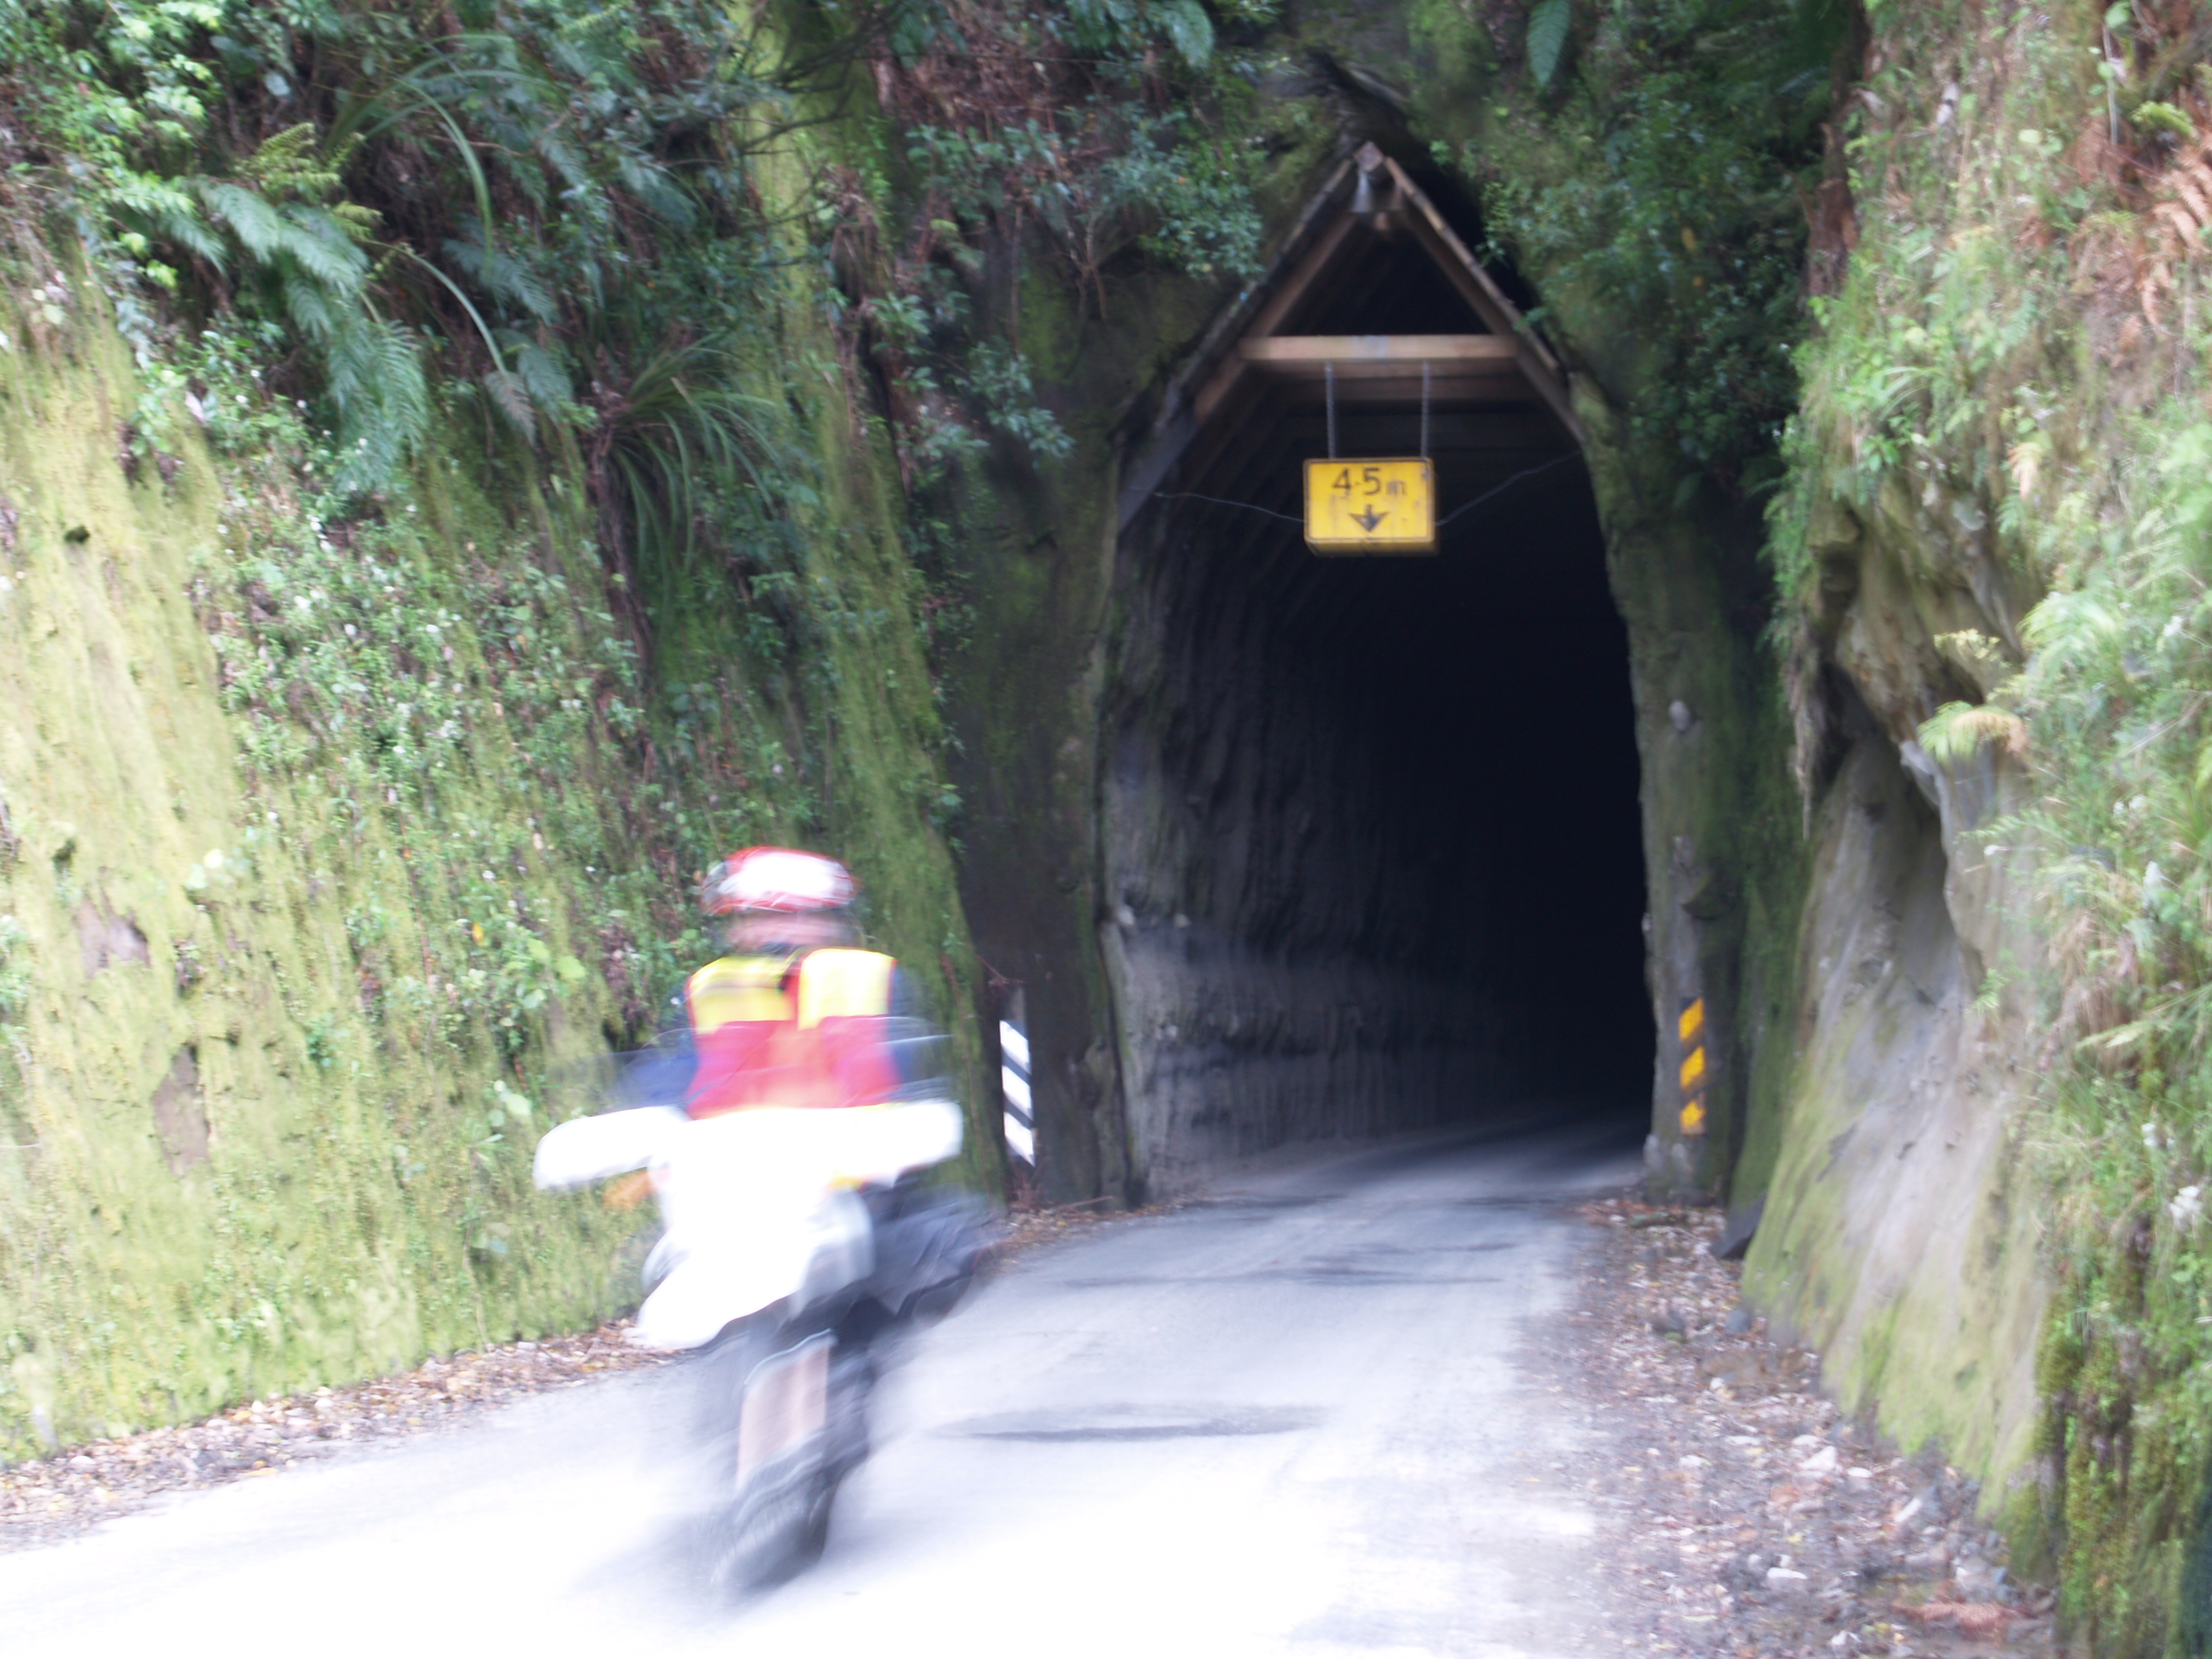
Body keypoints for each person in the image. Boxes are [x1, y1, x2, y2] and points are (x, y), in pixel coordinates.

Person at [678, 846, 924, 1118]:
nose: (762, 932)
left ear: (826, 922)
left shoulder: (875, 979)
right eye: (753, 918)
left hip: (854, 1141)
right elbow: (671, 1080)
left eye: (779, 917)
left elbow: (912, 1086)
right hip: (729, 1143)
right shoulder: (707, 989)